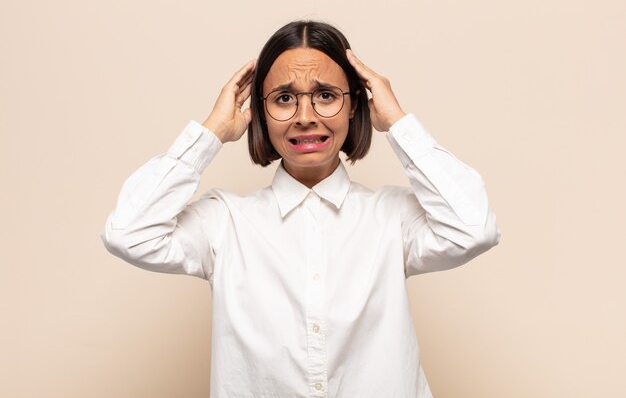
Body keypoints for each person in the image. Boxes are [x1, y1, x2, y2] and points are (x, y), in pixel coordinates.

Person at [101, 20, 501, 398]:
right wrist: (211, 132)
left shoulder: (392, 217)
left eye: (326, 95)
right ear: (259, 111)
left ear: (354, 106)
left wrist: (398, 123)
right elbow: (128, 233)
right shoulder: (225, 221)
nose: (305, 117)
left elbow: (473, 228)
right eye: (284, 98)